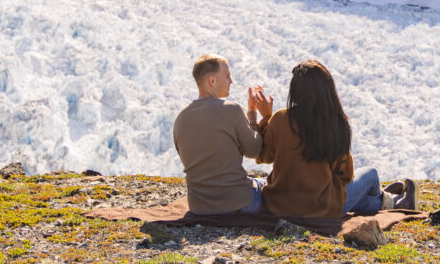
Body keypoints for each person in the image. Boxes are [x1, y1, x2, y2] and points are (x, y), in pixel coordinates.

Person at [252, 59, 418, 218]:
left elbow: (262, 156)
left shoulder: (281, 118)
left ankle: (386, 199)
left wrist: (267, 117)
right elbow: (346, 175)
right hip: (321, 209)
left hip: (281, 206)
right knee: (371, 174)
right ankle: (386, 201)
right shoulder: (335, 124)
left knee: (353, 190)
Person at [173, 54, 270, 214]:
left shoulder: (180, 118)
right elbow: (254, 150)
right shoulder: (231, 109)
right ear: (212, 81)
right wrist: (252, 114)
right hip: (238, 203)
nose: (231, 81)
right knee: (273, 185)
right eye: (227, 76)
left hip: (199, 206)